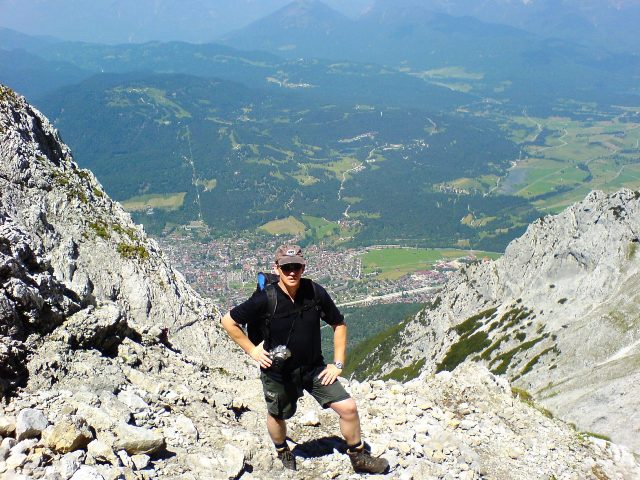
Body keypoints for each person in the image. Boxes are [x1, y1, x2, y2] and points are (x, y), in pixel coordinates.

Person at [221, 244, 389, 474]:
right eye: (286, 267)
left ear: (303, 268)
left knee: (348, 408)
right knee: (278, 415)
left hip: (313, 368)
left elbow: (338, 324)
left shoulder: (314, 292)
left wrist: (338, 364)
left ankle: (358, 457)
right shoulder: (265, 299)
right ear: (276, 268)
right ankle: (282, 450)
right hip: (278, 373)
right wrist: (253, 351)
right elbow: (228, 322)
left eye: (296, 267)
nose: (292, 272)